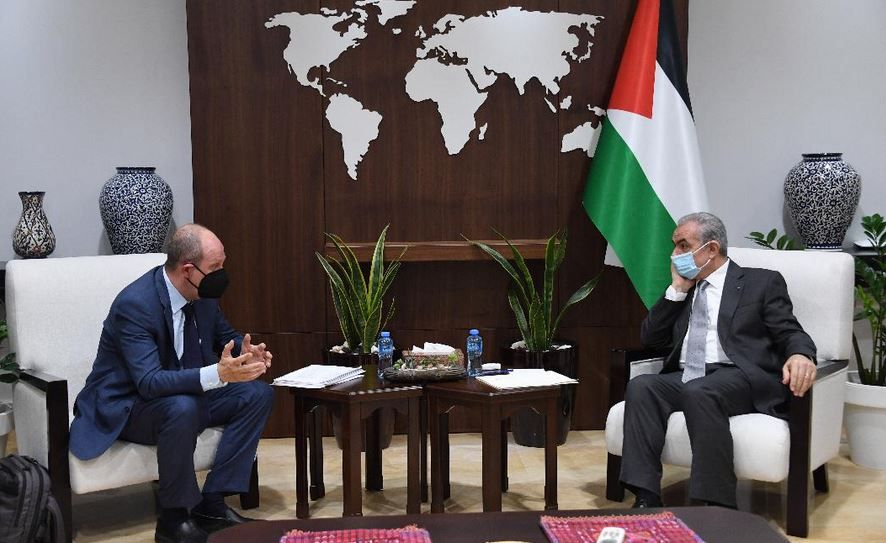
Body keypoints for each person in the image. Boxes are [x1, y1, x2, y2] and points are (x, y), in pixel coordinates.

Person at [69, 224, 275, 543]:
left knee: (257, 394)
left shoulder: (202, 295)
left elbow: (225, 336)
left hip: (184, 397)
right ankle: (174, 519)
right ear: (187, 270)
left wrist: (246, 352)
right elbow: (149, 382)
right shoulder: (136, 304)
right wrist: (218, 374)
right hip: (130, 406)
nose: (222, 275)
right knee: (182, 407)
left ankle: (213, 504)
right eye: (215, 268)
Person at [620, 212, 817, 509]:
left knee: (699, 390)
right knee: (643, 387)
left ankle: (716, 505)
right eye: (674, 246)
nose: (674, 255)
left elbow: (789, 331)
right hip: (688, 375)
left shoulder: (760, 282)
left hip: (738, 376)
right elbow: (650, 340)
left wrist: (801, 353)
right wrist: (677, 291)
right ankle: (646, 496)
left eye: (683, 246)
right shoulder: (684, 289)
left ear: (711, 249)